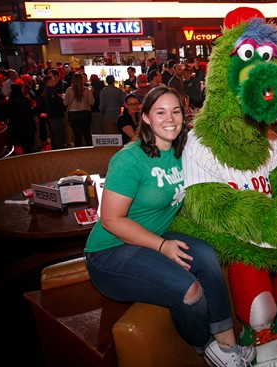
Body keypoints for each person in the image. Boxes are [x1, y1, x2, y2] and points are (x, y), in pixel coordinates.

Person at [84, 87, 254, 367]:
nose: (170, 118)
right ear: (147, 118)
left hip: (153, 236)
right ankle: (208, 348)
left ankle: (228, 344)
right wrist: (162, 246)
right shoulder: (130, 159)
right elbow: (111, 220)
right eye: (160, 112)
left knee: (208, 257)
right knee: (188, 289)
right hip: (109, 252)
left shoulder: (182, 151)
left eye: (176, 111)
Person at [64, 73, 94, 147]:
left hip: (73, 114)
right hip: (85, 113)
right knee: (87, 134)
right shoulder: (86, 90)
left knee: (77, 135)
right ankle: (90, 150)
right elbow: (92, 102)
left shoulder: (69, 90)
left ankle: (77, 152)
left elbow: (65, 103)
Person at [8, 83, 36, 154]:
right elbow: (30, 111)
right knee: (29, 143)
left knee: (23, 143)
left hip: (17, 125)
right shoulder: (24, 100)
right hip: (27, 124)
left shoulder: (10, 100)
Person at [41, 74, 66, 150]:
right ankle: (59, 150)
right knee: (58, 134)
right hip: (56, 116)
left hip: (52, 116)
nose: (54, 81)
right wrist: (61, 99)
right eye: (53, 80)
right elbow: (54, 103)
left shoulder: (46, 90)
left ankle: (55, 149)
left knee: (54, 134)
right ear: (49, 81)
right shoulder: (50, 91)